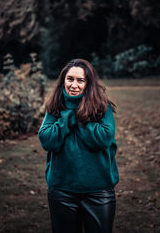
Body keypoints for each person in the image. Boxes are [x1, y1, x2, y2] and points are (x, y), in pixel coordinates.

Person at [38, 58, 119, 233]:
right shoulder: (55, 106)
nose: (74, 85)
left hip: (99, 192)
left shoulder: (102, 107)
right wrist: (68, 117)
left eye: (80, 80)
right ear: (63, 81)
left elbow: (103, 138)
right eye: (70, 79)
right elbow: (47, 139)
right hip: (62, 191)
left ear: (88, 84)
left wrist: (79, 117)